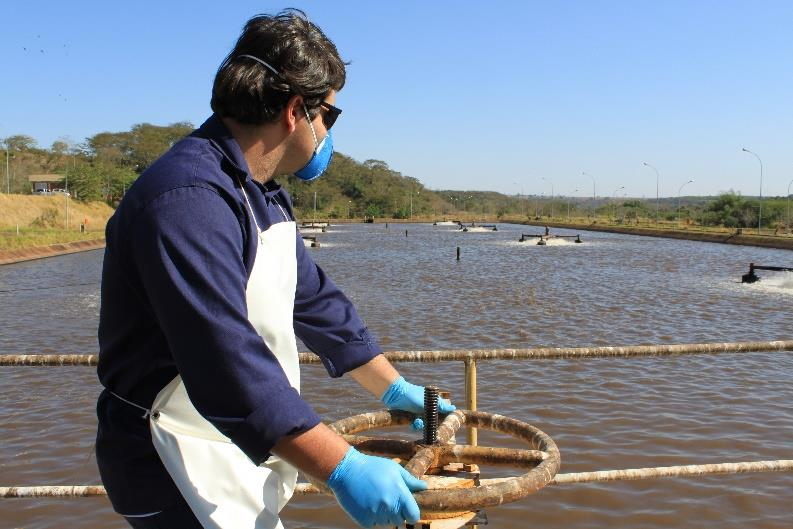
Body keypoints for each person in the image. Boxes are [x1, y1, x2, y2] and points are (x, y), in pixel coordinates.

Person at [95, 10, 453, 529]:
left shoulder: (261, 194)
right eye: (330, 114)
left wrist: (397, 390)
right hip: (172, 456)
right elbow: (226, 363)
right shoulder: (188, 200)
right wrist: (342, 466)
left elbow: (315, 302)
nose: (329, 131)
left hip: (232, 447)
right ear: (295, 111)